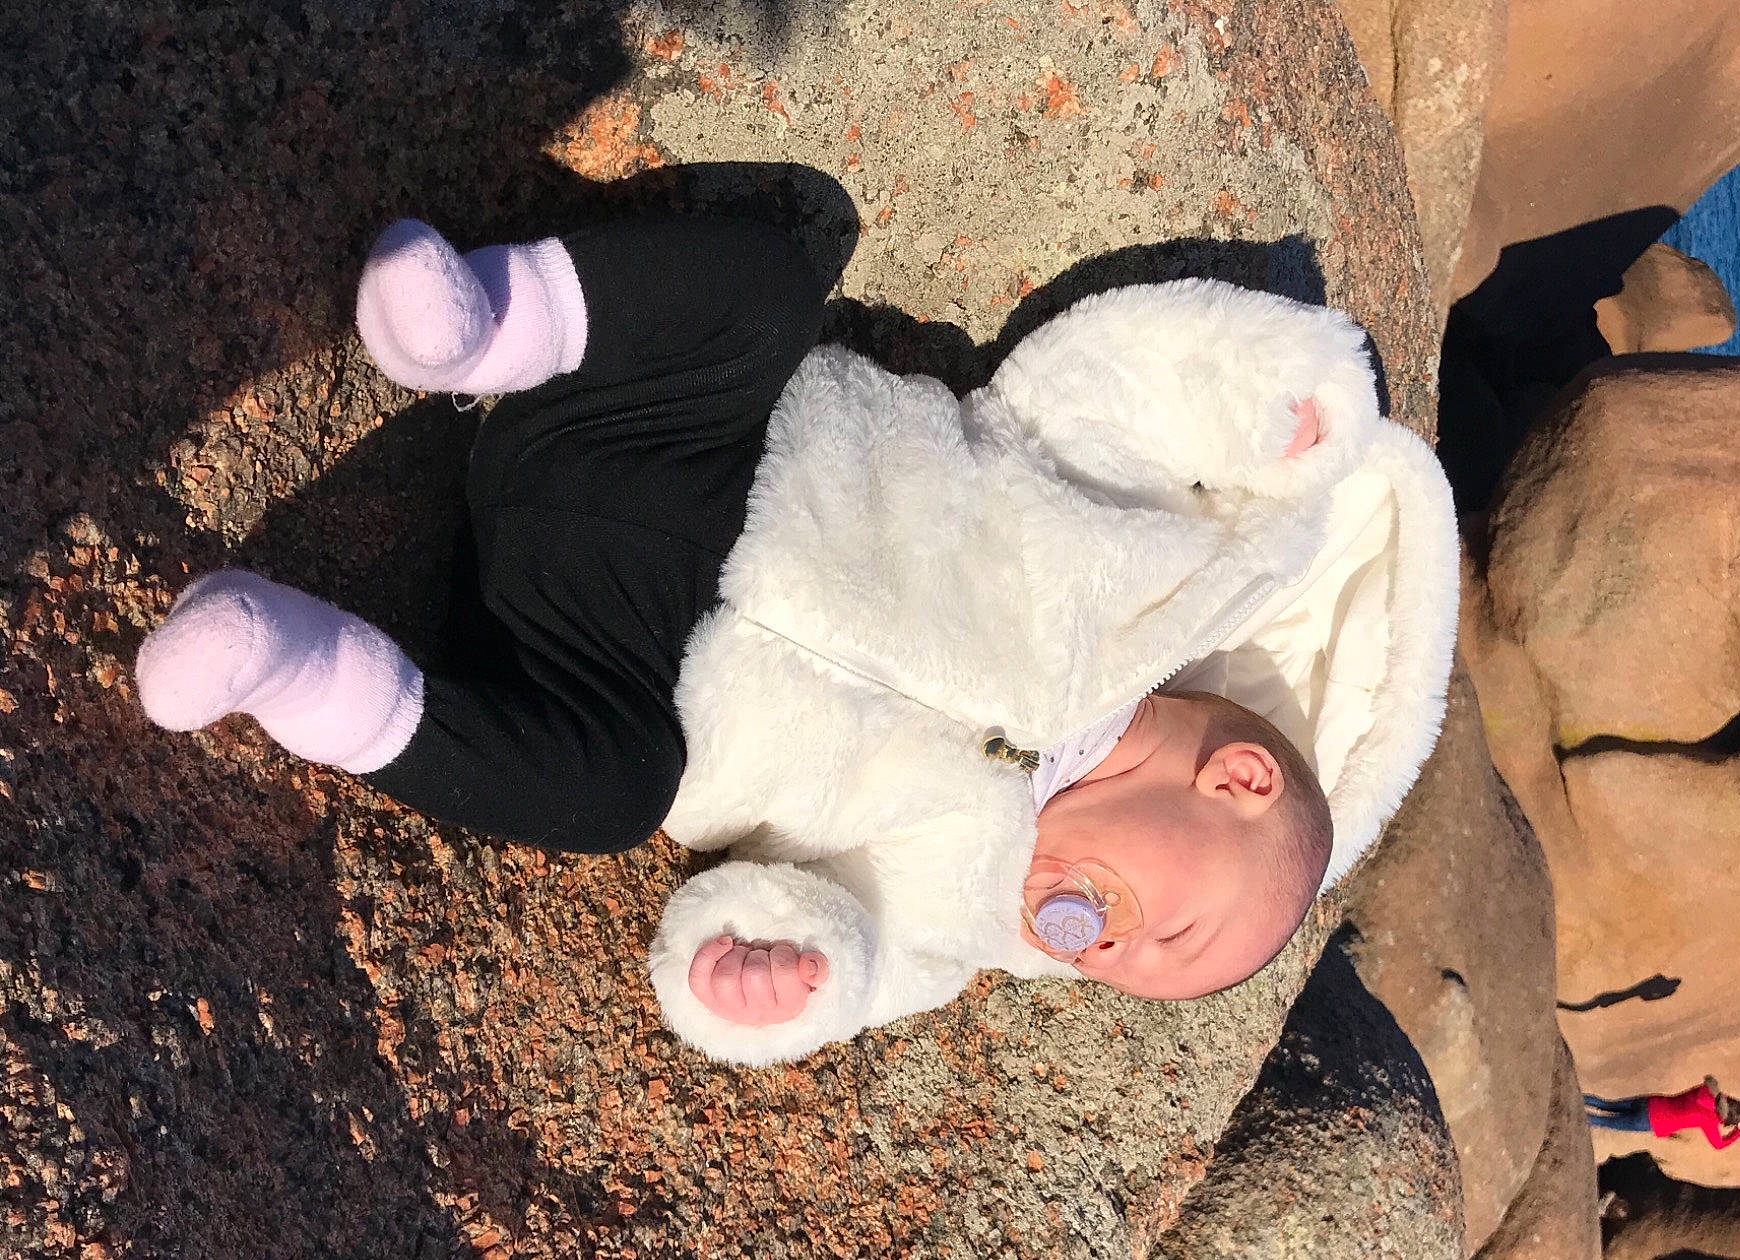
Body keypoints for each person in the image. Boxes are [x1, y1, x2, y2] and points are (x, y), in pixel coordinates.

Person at [136, 210, 1459, 1064]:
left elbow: (855, 951)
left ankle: (299, 669)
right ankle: (489, 327)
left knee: (602, 798)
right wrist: (1260, 410)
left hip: (611, 653)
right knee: (766, 277)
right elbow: (1096, 395)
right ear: (1237, 778)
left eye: (1123, 979)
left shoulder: (962, 913)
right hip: (702, 442)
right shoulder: (1154, 571)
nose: (1109, 956)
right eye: (1171, 934)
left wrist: (778, 977)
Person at [1583, 1076, 1740, 1149]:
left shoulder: (1705, 1090)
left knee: (1606, 1104)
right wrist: (1737, 1133)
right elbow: (1718, 1145)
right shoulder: (1710, 1120)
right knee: (1604, 1122)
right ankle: (1577, 1116)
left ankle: (1577, 1097)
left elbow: (1712, 1097)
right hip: (1652, 1122)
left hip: (1651, 1102)